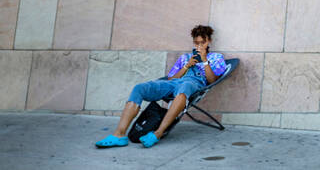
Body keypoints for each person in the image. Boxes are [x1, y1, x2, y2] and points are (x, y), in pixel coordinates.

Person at [95, 25, 227, 148]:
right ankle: (119, 135)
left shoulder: (216, 58)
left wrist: (204, 61)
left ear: (208, 41)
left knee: (184, 88)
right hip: (174, 83)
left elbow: (212, 80)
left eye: (202, 43)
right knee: (139, 88)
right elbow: (171, 78)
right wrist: (187, 66)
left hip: (194, 84)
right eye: (196, 43)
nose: (199, 46)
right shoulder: (185, 57)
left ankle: (157, 133)